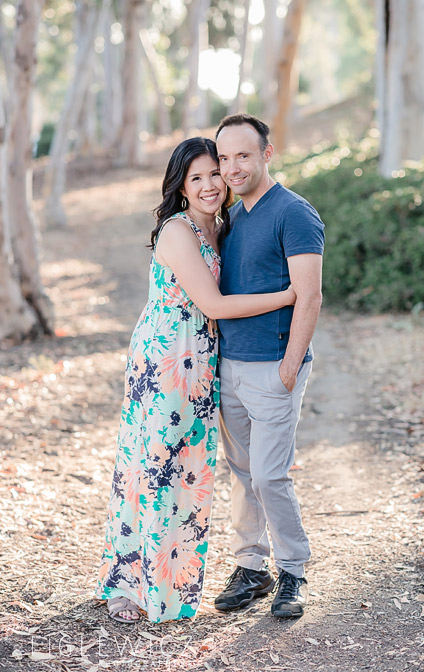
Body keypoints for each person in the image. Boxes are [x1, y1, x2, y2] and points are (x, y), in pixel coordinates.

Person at [96, 137, 298, 624]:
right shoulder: (177, 231)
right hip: (167, 358)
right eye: (197, 178)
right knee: (151, 467)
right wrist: (290, 295)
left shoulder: (223, 227)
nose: (210, 185)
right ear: (181, 186)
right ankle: (131, 585)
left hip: (203, 359)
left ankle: (172, 582)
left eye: (215, 174)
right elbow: (214, 305)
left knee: (189, 471)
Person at [212, 114, 324, 619]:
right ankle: (251, 567)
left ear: (266, 154)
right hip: (229, 366)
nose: (233, 167)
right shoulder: (230, 217)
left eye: (243, 155)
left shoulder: (294, 213)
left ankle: (293, 572)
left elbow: (310, 295)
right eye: (224, 157)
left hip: (274, 366)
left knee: (269, 475)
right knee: (241, 473)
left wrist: (290, 366)